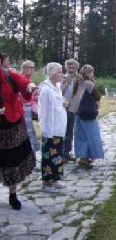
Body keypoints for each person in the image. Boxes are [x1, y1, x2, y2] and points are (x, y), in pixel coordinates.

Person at [0, 52, 37, 210]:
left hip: (12, 125)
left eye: (6, 62)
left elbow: (23, 82)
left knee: (12, 161)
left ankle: (13, 195)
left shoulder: (9, 75)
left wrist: (30, 86)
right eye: (6, 62)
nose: (8, 64)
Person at [38, 62, 67, 193]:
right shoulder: (46, 90)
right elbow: (44, 112)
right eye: (60, 71)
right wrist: (46, 131)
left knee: (57, 156)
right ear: (53, 73)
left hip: (59, 128)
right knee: (48, 155)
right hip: (51, 130)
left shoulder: (56, 87)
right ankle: (46, 183)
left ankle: (55, 179)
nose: (62, 74)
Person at [69, 64, 104, 169]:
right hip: (88, 113)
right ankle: (87, 156)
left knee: (81, 135)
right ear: (89, 73)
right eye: (92, 72)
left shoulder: (78, 82)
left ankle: (82, 156)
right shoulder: (89, 83)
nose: (93, 74)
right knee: (91, 135)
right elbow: (97, 96)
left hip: (79, 112)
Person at [19, 60, 40, 152]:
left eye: (33, 67)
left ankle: (32, 152)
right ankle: (29, 152)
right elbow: (21, 97)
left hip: (30, 108)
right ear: (23, 68)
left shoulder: (30, 80)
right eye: (29, 67)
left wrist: (35, 97)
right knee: (28, 131)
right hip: (24, 108)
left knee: (31, 131)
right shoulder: (21, 80)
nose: (31, 69)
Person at [61, 58, 79, 163]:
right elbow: (59, 91)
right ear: (66, 67)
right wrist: (67, 83)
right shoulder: (62, 78)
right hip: (63, 106)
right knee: (63, 130)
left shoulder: (78, 78)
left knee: (70, 131)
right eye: (69, 67)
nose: (71, 69)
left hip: (73, 107)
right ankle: (62, 153)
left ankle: (67, 152)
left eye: (73, 67)